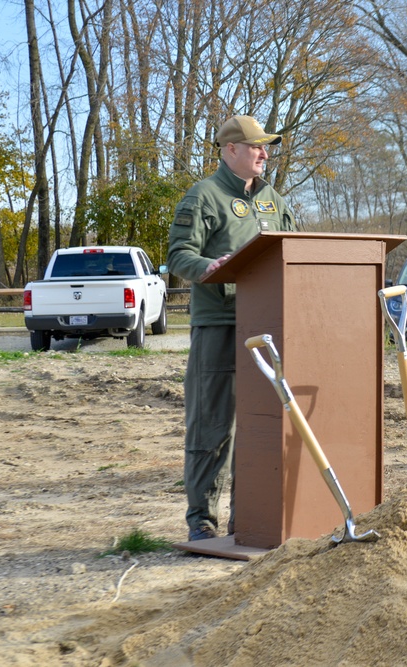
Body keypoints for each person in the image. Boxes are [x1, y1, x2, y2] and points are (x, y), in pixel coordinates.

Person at [168, 115, 295, 541]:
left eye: (266, 147)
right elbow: (179, 255)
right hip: (220, 326)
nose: (265, 153)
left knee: (262, 426)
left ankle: (251, 519)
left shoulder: (273, 199)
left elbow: (295, 251)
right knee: (212, 427)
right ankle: (202, 521)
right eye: (256, 146)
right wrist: (210, 266)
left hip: (269, 328)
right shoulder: (203, 196)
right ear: (230, 151)